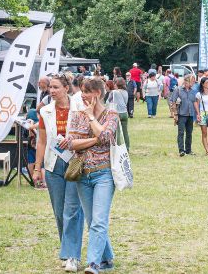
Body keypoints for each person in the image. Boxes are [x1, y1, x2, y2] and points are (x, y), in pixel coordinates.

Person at [67, 78, 119, 274]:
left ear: (96, 94)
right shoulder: (76, 115)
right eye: (81, 92)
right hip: (82, 175)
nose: (82, 96)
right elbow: (71, 142)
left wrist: (91, 118)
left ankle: (93, 264)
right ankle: (107, 259)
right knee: (92, 221)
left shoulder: (111, 114)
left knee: (98, 221)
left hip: (104, 174)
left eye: (86, 92)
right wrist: (96, 138)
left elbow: (107, 137)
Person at [34, 74, 85, 272]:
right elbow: (42, 141)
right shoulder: (45, 111)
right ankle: (68, 248)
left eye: (55, 87)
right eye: (50, 88)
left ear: (66, 87)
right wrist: (38, 169)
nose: (52, 91)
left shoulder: (79, 108)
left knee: (72, 210)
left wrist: (73, 139)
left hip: (74, 163)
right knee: (59, 212)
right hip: (53, 165)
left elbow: (88, 133)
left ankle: (72, 255)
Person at [169, 73, 197, 156]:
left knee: (189, 133)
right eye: (192, 81)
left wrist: (197, 113)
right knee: (181, 133)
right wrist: (175, 114)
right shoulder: (178, 90)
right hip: (181, 114)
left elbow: (194, 102)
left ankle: (188, 150)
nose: (193, 83)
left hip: (190, 114)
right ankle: (181, 150)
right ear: (186, 81)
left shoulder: (193, 91)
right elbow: (173, 102)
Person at [110, 78, 130, 148]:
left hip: (117, 113)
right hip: (125, 113)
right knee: (125, 132)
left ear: (116, 84)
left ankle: (118, 148)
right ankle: (127, 147)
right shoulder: (126, 92)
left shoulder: (114, 92)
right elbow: (125, 103)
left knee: (117, 132)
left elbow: (108, 102)